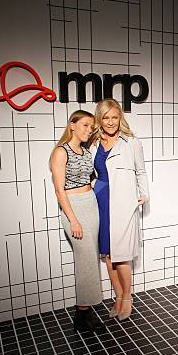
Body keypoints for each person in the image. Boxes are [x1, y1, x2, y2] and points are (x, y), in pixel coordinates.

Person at [90, 99, 149, 321]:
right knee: (107, 254)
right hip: (101, 199)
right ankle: (117, 296)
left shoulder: (131, 142)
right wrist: (94, 185)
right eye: (106, 117)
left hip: (123, 201)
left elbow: (141, 171)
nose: (111, 122)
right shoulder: (94, 142)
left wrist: (144, 194)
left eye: (115, 117)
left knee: (121, 255)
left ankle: (127, 297)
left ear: (120, 118)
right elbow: (92, 171)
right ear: (100, 119)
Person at [49, 110, 105, 332]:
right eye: (84, 125)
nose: (88, 130)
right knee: (84, 260)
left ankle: (85, 312)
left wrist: (92, 185)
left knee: (91, 258)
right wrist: (73, 220)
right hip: (74, 208)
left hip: (90, 204)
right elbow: (59, 190)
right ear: (71, 125)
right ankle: (82, 315)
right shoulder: (60, 152)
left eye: (91, 127)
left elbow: (89, 177)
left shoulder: (84, 152)